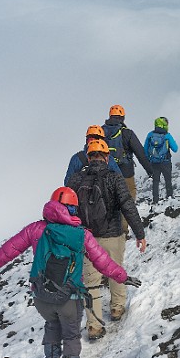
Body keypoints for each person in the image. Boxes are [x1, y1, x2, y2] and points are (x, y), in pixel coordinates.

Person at [0, 187, 142, 358]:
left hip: (41, 296)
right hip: (69, 298)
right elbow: (102, 261)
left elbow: (10, 249)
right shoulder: (81, 235)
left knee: (51, 325)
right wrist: (122, 277)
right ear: (73, 208)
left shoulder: (36, 229)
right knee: (71, 336)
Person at [67, 138, 147, 340]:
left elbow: (66, 211)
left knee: (91, 283)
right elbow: (127, 206)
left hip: (86, 240)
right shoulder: (114, 177)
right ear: (107, 156)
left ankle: (94, 326)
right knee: (115, 270)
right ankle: (117, 308)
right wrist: (140, 233)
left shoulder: (75, 180)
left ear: (88, 156)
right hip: (112, 235)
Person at [102, 105, 151, 234]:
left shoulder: (100, 133)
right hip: (126, 173)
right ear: (122, 117)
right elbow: (141, 153)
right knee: (126, 200)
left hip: (106, 173)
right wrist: (150, 171)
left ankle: (107, 227)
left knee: (108, 200)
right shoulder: (127, 133)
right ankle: (122, 229)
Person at [143, 116, 178, 204]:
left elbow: (145, 150)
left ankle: (155, 200)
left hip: (154, 162)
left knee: (155, 182)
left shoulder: (150, 135)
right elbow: (175, 149)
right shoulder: (167, 136)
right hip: (166, 161)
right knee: (168, 180)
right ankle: (169, 197)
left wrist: (149, 159)